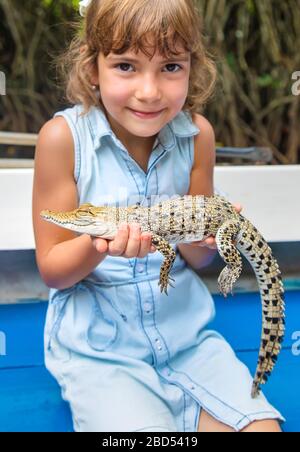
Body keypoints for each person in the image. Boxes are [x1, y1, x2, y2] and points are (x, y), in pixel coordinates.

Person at [32, 0, 284, 432]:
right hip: (104, 353)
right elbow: (52, 270)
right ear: (93, 68)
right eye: (126, 66)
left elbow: (197, 259)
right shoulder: (62, 138)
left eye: (170, 67)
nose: (149, 91)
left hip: (188, 340)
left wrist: (205, 240)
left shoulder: (197, 135)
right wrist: (100, 245)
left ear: (192, 68)